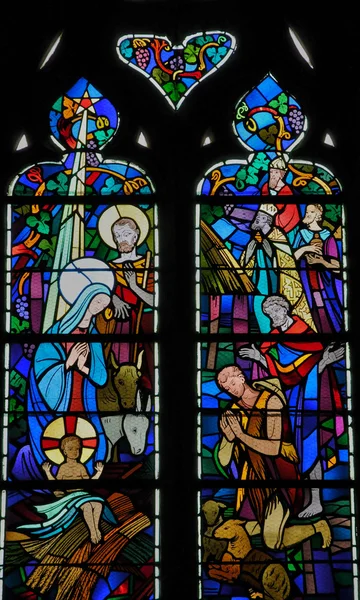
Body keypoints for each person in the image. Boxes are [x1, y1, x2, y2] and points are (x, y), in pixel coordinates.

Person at [238, 294, 345, 518]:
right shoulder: (274, 338)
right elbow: (280, 373)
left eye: (274, 313)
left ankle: (317, 499)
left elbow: (312, 363)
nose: (271, 318)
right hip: (291, 398)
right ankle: (304, 498)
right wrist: (260, 358)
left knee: (311, 447)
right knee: (297, 448)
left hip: (311, 396)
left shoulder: (304, 333)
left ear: (284, 309)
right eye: (268, 315)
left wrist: (325, 361)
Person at [12, 259, 115, 479]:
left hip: (84, 402)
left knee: (91, 442)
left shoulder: (94, 337)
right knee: (57, 438)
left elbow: (101, 377)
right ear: (84, 301)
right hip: (58, 400)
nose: (99, 309)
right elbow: (41, 368)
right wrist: (68, 364)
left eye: (103, 305)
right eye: (97, 303)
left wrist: (83, 368)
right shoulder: (56, 333)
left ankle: (86, 479)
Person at [215, 364, 332, 551]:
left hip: (278, 478)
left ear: (242, 377)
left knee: (271, 541)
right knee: (240, 530)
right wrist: (229, 439)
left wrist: (241, 436)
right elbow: (222, 460)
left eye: (231, 384)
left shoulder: (271, 401)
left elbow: (274, 447)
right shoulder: (234, 410)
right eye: (226, 389)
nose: (231, 391)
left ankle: (317, 527)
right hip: (252, 482)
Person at [96, 206, 154, 392]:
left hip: (142, 329)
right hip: (114, 328)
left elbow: (154, 301)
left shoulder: (147, 266)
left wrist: (134, 286)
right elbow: (97, 294)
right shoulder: (108, 268)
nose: (122, 240)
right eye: (118, 236)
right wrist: (114, 299)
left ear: (136, 237)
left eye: (126, 234)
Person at [18, 434, 114, 544]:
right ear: (64, 451)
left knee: (98, 504)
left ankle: (96, 528)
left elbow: (89, 482)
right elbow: (56, 484)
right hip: (71, 496)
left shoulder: (81, 467)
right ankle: (93, 532)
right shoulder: (63, 468)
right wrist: (48, 472)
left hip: (83, 494)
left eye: (77, 449)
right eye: (71, 449)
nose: (75, 451)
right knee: (87, 506)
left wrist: (99, 472)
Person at [239, 203, 315, 333]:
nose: (256, 219)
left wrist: (264, 244)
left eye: (260, 217)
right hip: (258, 285)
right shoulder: (255, 238)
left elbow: (286, 258)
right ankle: (266, 344)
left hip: (277, 285)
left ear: (266, 220)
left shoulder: (277, 235)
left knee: (278, 318)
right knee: (260, 314)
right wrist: (253, 247)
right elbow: (246, 262)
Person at [293, 203, 343, 333]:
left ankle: (329, 336)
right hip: (305, 280)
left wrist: (321, 261)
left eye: (311, 212)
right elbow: (290, 259)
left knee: (326, 307)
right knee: (310, 307)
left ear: (318, 215)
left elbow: (337, 265)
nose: (307, 215)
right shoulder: (301, 234)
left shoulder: (328, 235)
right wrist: (305, 248)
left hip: (325, 282)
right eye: (307, 212)